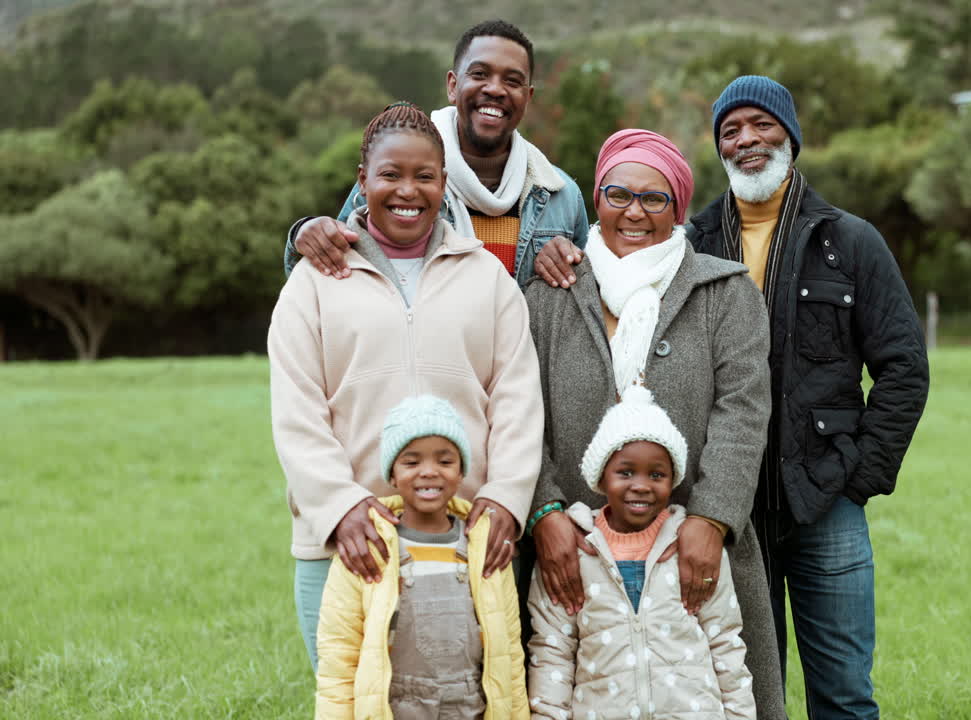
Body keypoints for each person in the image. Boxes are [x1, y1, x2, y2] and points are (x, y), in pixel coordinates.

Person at [533, 77, 931, 720]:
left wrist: (859, 475)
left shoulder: (847, 240)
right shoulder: (695, 238)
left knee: (842, 692)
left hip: (814, 495)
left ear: (791, 135)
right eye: (731, 130)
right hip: (697, 512)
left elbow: (903, 369)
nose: (748, 139)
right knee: (708, 679)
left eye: (763, 125)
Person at [523, 129, 788, 719]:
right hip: (574, 552)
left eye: (654, 198)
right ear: (596, 197)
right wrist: (545, 513)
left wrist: (712, 519)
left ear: (680, 206)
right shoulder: (551, 291)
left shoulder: (725, 292)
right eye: (617, 194)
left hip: (692, 549)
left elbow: (743, 413)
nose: (634, 212)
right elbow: (520, 413)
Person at [269, 101, 543, 670]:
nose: (407, 191)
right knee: (354, 702)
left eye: (424, 176)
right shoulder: (313, 285)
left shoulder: (487, 278)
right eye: (390, 175)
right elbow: (297, 412)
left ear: (445, 184)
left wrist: (504, 501)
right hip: (349, 546)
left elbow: (518, 398)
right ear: (362, 181)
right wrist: (341, 508)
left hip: (466, 541)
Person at [284, 19, 589, 287]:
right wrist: (306, 233)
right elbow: (328, 271)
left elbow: (585, 299)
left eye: (512, 81)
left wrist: (570, 264)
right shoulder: (396, 179)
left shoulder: (560, 195)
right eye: (480, 74)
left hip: (518, 353)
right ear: (453, 86)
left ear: (528, 97)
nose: (495, 89)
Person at [526, 385, 754, 720]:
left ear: (673, 479)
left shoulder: (692, 551)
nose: (641, 485)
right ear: (601, 477)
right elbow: (552, 653)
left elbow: (726, 644)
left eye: (657, 474)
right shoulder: (577, 552)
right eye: (626, 472)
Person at [315, 395, 528, 720]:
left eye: (444, 462)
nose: (429, 472)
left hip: (470, 707)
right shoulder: (367, 547)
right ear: (392, 476)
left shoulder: (483, 546)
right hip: (396, 707)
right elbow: (338, 655)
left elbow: (509, 653)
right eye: (412, 463)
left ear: (461, 473)